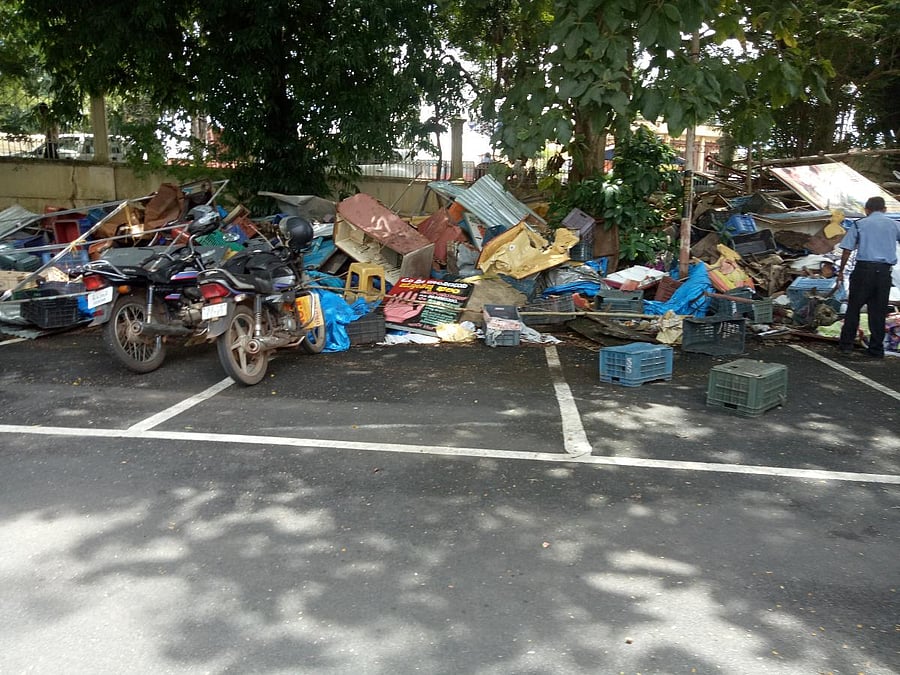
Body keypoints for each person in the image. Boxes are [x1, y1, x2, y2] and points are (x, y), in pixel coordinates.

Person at [836, 196, 900, 358]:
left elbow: (847, 250)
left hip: (863, 271)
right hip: (884, 273)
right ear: (885, 209)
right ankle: (876, 349)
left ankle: (846, 345)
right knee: (878, 311)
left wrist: (841, 272)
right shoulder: (895, 225)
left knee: (854, 308)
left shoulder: (859, 224)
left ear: (867, 210)